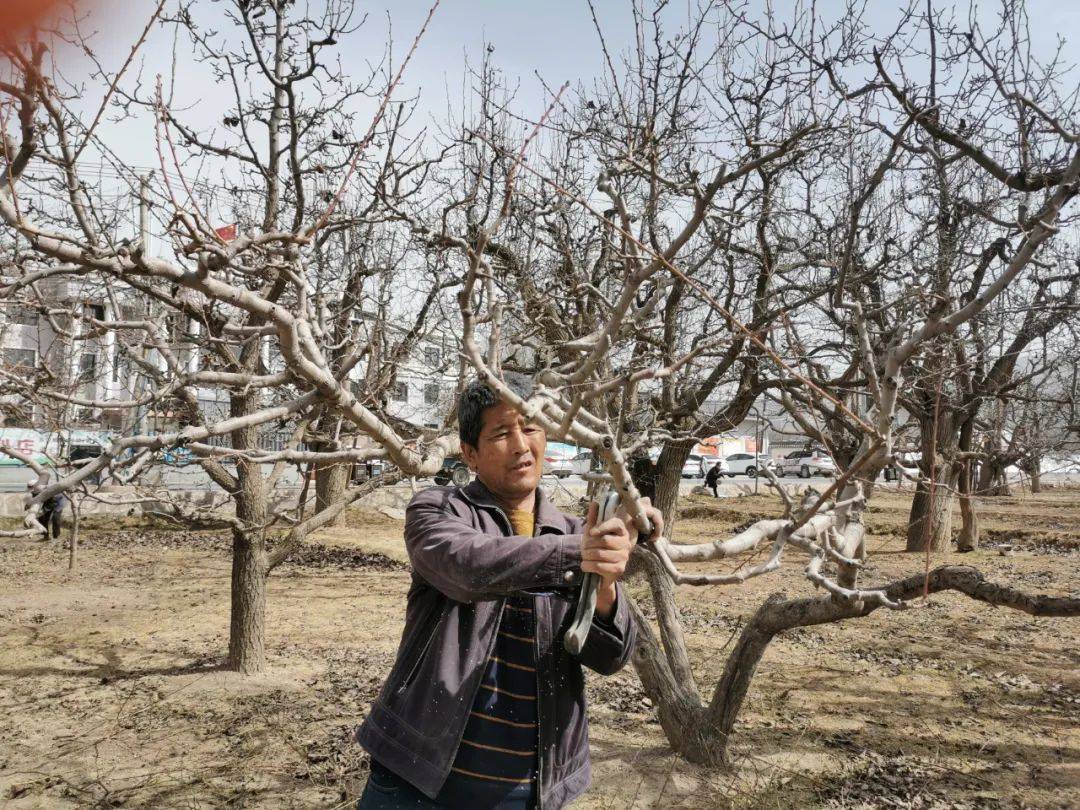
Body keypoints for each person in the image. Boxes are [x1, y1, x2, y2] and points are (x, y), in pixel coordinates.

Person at [355, 377, 662, 809]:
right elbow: (467, 566)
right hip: (417, 780)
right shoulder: (438, 509)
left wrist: (605, 578)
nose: (521, 445)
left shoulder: (575, 533)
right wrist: (583, 551)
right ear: (470, 453)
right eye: (501, 433)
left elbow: (610, 657)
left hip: (526, 791)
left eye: (531, 428)